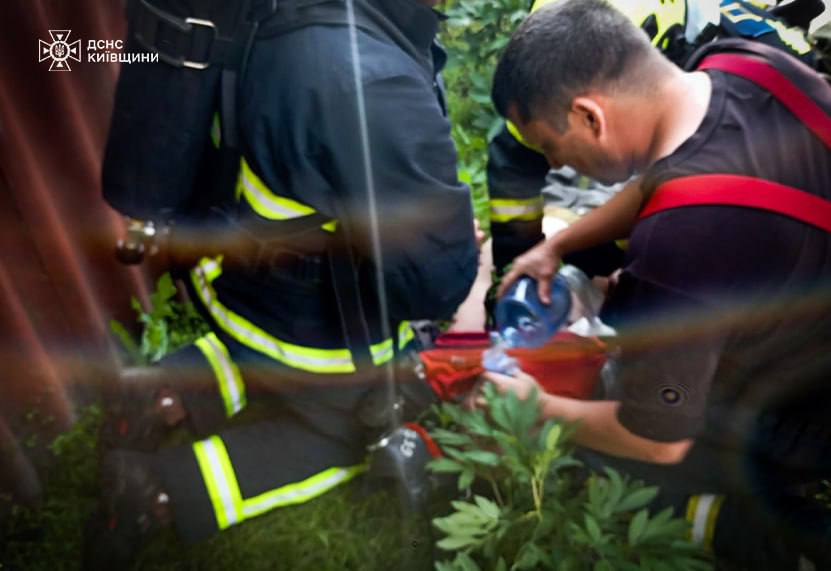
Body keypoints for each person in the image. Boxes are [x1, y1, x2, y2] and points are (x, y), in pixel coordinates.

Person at [87, 0, 479, 566]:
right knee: (351, 428)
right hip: (309, 319)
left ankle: (161, 393)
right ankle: (160, 491)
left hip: (234, 277)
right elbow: (434, 285)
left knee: (267, 350)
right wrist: (471, 262)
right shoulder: (373, 81)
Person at [485, 0, 831, 567]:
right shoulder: (744, 64)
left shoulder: (681, 242)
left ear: (589, 117)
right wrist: (554, 247)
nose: (557, 162)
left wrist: (537, 404)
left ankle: (772, 534)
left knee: (604, 449)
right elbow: (661, 183)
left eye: (549, 145)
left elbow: (656, 439)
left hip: (808, 414)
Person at [487, 0, 820, 284]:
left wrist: (633, 273)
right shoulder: (541, 68)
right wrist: (534, 254)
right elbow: (658, 183)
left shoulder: (759, 64)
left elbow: (680, 197)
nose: (555, 162)